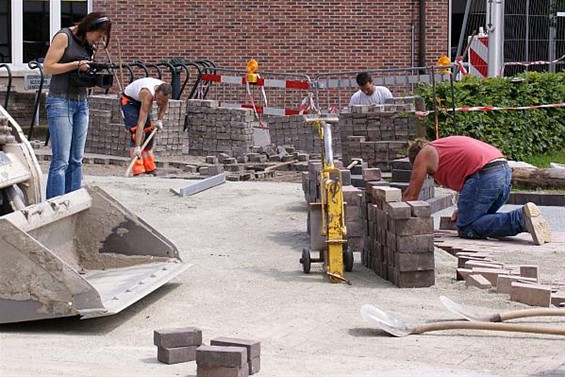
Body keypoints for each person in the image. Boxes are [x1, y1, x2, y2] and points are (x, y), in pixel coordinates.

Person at [403, 136, 552, 245]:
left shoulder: (424, 154)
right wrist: (463, 210)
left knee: (467, 227)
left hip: (486, 175)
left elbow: (411, 196)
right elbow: (469, 181)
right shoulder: (445, 147)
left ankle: (520, 219)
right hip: (504, 172)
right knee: (480, 219)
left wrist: (392, 213)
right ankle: (531, 219)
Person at [43, 12, 112, 199]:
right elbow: (48, 67)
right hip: (60, 100)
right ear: (89, 28)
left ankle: (73, 201)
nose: (99, 39)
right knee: (61, 160)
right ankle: (55, 204)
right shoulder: (64, 36)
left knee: (76, 159)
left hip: (81, 102)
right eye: (98, 35)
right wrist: (76, 64)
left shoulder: (88, 45)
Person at [120, 78, 172, 176]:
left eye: (162, 100)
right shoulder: (147, 94)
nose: (159, 102)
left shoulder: (166, 90)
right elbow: (141, 123)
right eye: (159, 99)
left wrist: (159, 120)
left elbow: (164, 105)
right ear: (156, 92)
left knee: (149, 131)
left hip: (140, 100)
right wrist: (137, 147)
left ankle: (149, 167)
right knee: (136, 132)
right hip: (129, 101)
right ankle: (138, 170)